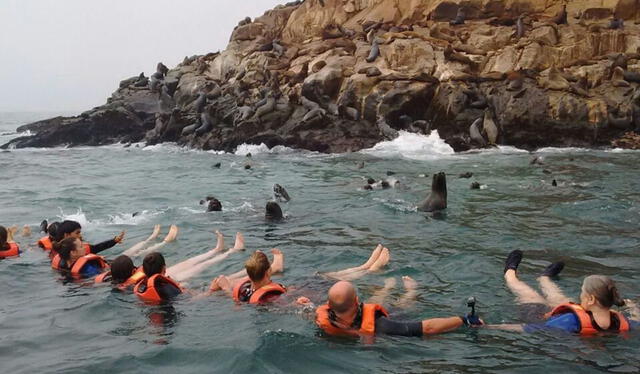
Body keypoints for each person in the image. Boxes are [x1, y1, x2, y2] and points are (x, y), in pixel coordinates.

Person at [487, 250, 639, 334]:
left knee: (531, 295)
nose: (581, 296)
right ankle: (544, 278)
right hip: (563, 315)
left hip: (538, 316)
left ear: (591, 299)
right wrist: (633, 308)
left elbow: (527, 328)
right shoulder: (621, 323)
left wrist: (486, 327)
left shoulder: (569, 322)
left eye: (583, 293)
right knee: (561, 300)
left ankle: (510, 273)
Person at [315, 280, 482, 338]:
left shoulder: (322, 320)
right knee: (400, 307)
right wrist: (464, 319)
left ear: (328, 305)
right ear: (356, 301)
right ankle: (411, 291)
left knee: (376, 306)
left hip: (357, 318)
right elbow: (428, 328)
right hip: (387, 320)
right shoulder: (382, 326)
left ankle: (387, 288)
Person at [98, 229, 244, 289]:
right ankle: (232, 251)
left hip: (159, 274)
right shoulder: (131, 287)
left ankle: (216, 250)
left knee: (188, 262)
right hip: (167, 278)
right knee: (201, 267)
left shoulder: (122, 279)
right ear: (131, 271)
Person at [215, 250, 287, 304]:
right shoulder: (270, 297)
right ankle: (277, 267)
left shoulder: (244, 291)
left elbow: (238, 302)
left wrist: (226, 288)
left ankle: (276, 267)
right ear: (268, 272)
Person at [56, 220, 125, 256]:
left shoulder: (81, 248)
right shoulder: (58, 253)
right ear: (67, 235)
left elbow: (97, 248)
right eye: (77, 233)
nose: (80, 236)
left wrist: (114, 241)